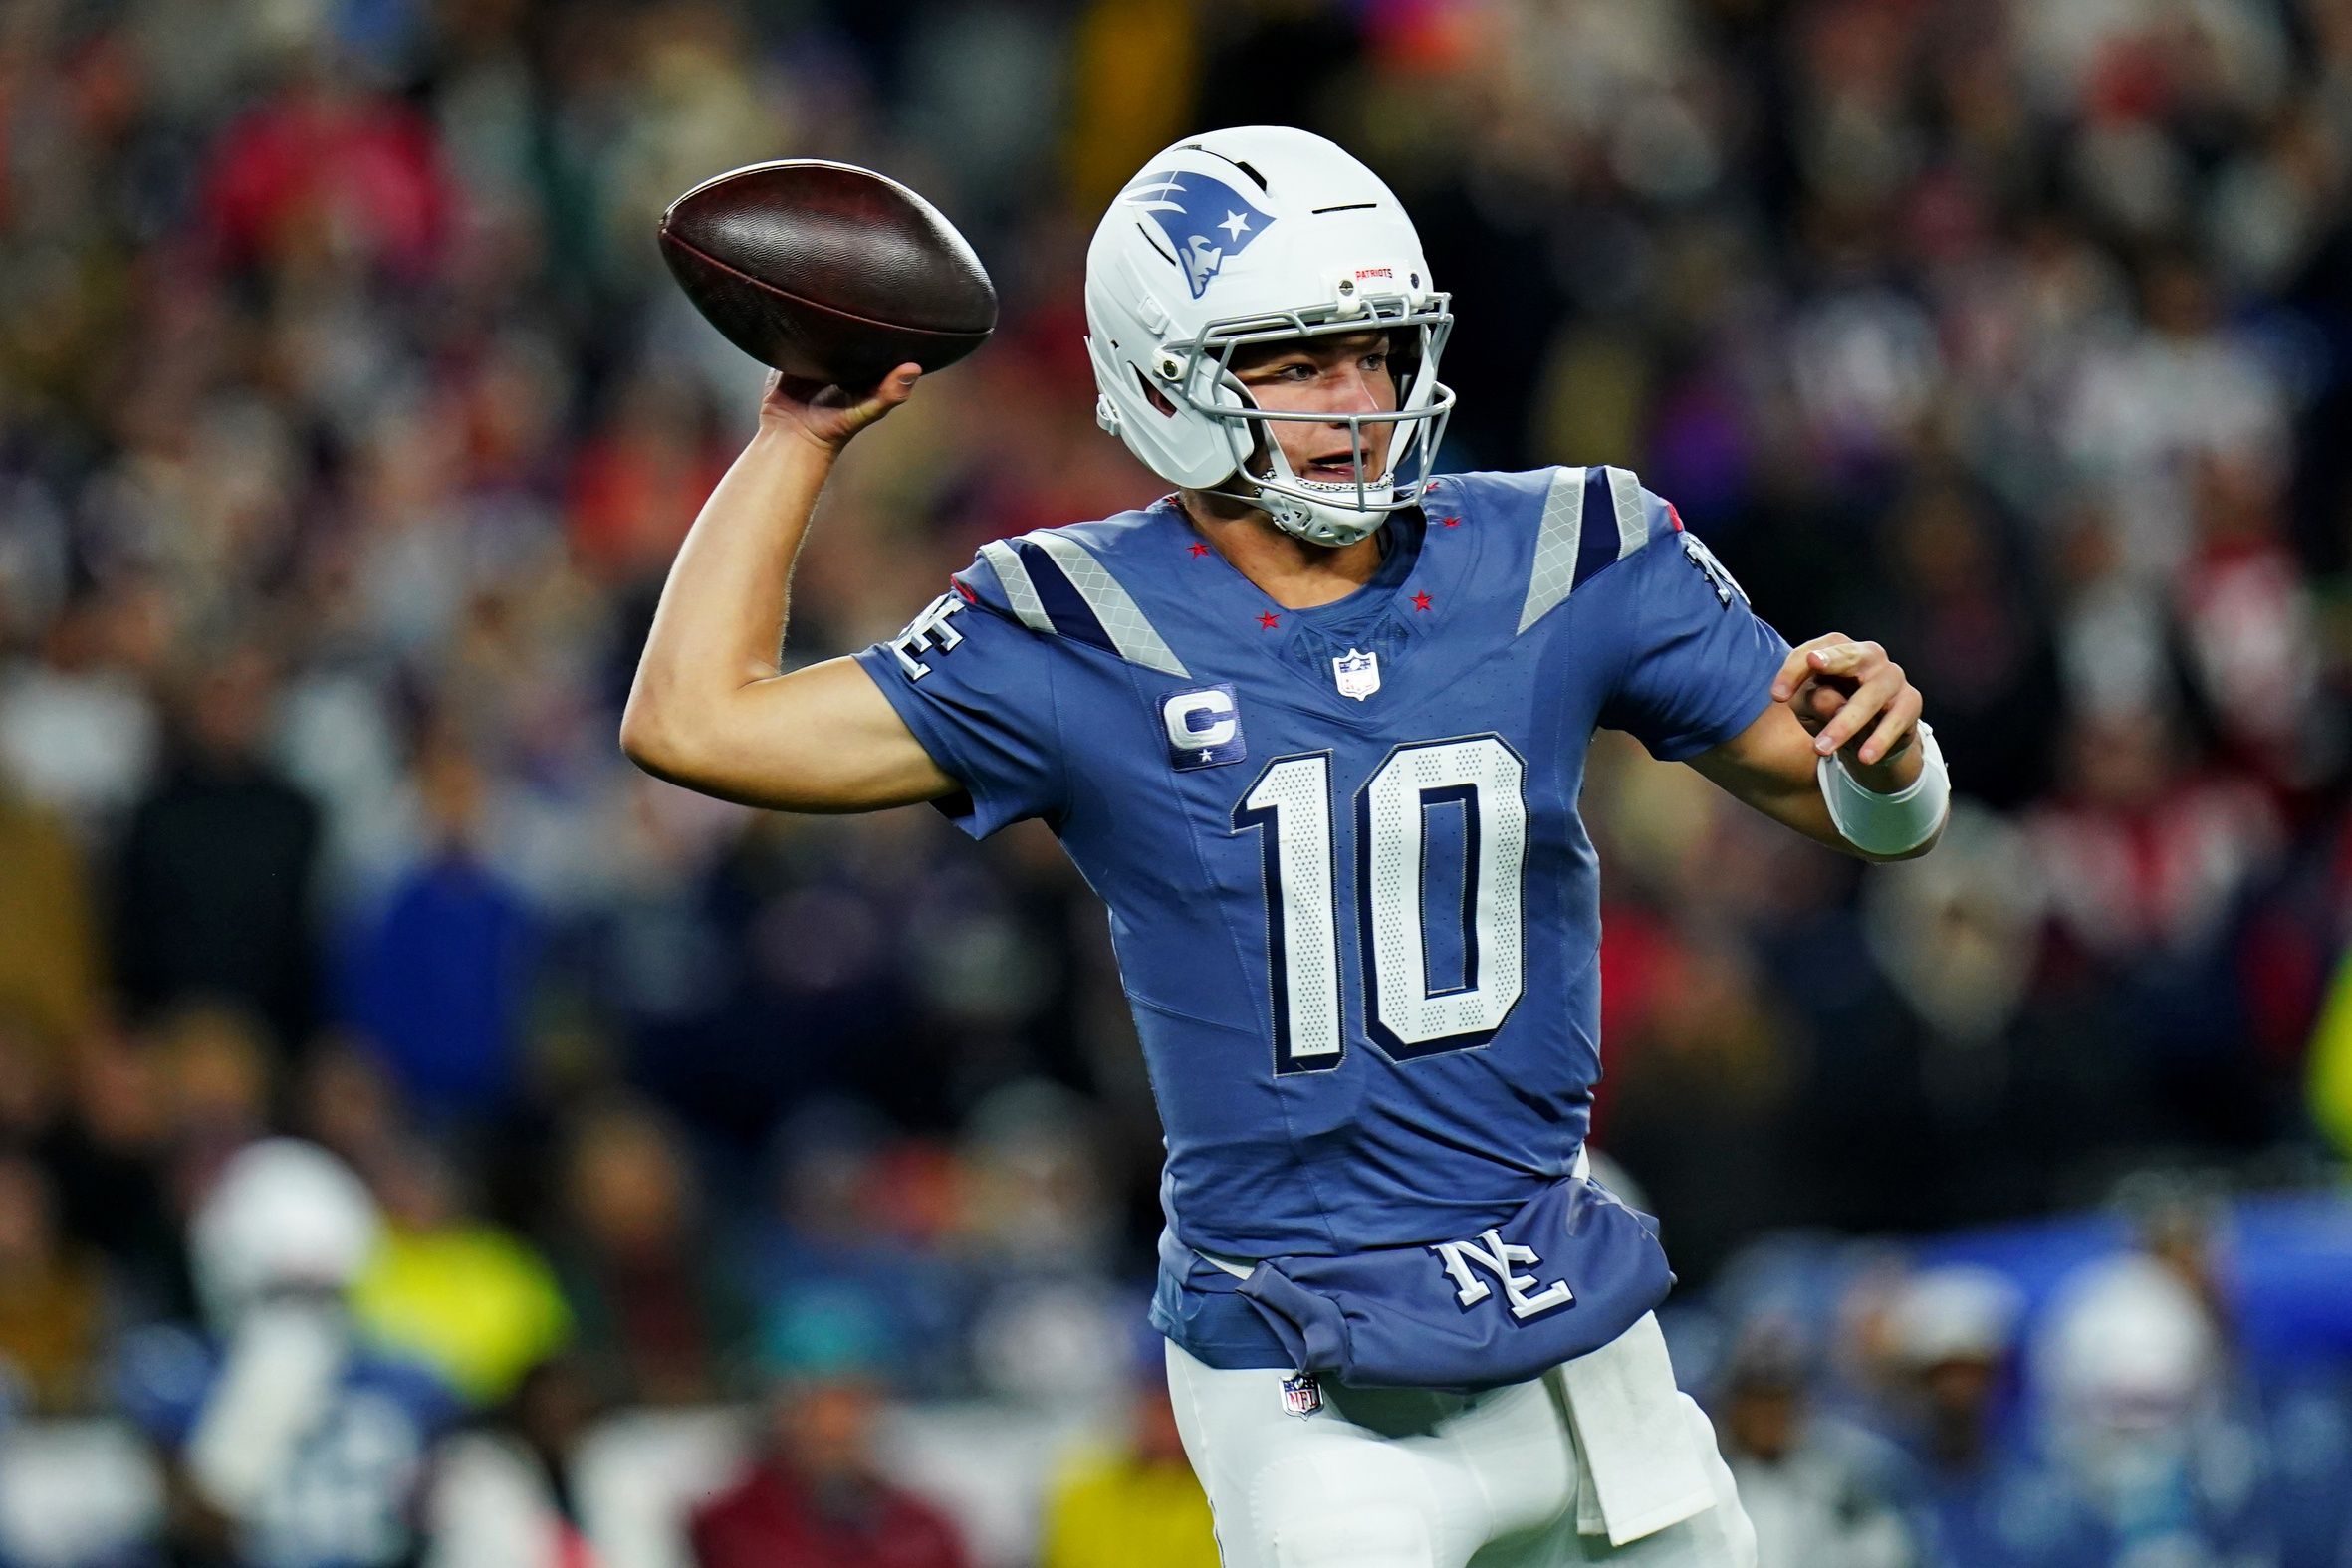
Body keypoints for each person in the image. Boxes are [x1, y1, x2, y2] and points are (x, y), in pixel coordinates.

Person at [623, 125, 1947, 1568]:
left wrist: (1892, 760)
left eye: (1377, 353)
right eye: (1300, 363)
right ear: (1162, 379)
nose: (1358, 400)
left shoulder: (1570, 548)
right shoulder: (1075, 625)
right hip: (1309, 1371)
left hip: (1571, 1331)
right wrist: (797, 436)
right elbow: (695, 723)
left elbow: (1861, 809)